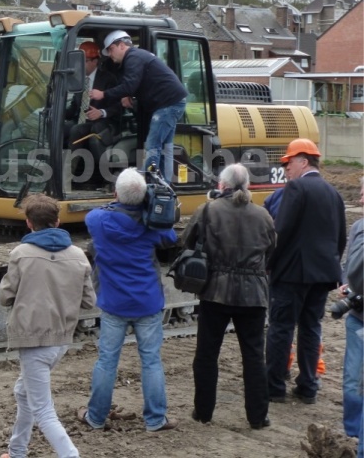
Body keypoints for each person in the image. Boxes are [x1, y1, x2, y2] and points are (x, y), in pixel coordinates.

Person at [78, 168, 178, 432]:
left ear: (115, 194)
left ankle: (96, 417)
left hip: (113, 303)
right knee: (151, 361)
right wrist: (149, 209)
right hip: (147, 302)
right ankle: (156, 419)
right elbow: (171, 237)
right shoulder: (151, 226)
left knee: (107, 361)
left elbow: (93, 215)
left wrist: (121, 203)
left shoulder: (98, 220)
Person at [0, 194, 95, 458]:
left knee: (43, 409)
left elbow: (5, 296)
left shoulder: (20, 254)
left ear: (29, 223)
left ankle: (70, 455)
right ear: (59, 221)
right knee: (23, 392)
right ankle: (16, 451)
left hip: (32, 341)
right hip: (60, 340)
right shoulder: (78, 255)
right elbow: (89, 301)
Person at [183, 164, 275, 429]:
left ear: (222, 185)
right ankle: (258, 417)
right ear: (247, 185)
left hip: (215, 291)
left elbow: (187, 242)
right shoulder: (263, 215)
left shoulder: (209, 210)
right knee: (254, 356)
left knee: (207, 354)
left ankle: (203, 412)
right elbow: (272, 249)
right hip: (253, 294)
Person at [266, 138, 347, 404]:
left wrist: (269, 263)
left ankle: (275, 387)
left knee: (281, 328)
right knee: (311, 328)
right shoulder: (333, 193)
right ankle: (308, 387)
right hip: (323, 275)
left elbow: (281, 231)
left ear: (302, 161)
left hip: (292, 274)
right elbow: (340, 237)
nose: (286, 169)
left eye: (288, 163)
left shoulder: (297, 188)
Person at [89, 31, 187, 182]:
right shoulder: (138, 56)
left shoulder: (133, 58)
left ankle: (144, 185)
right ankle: (165, 184)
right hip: (172, 102)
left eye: (110, 49)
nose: (109, 54)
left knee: (152, 145)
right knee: (166, 147)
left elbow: (129, 84)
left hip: (167, 105)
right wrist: (129, 94)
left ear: (121, 45)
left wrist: (104, 94)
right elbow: (137, 83)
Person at [65, 41, 123, 187]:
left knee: (76, 130)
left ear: (95, 61)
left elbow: (118, 106)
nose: (81, 65)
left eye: (84, 61)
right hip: (82, 120)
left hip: (103, 121)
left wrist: (101, 112)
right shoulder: (79, 80)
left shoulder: (108, 79)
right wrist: (56, 112)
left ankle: (67, 176)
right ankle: (55, 165)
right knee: (60, 127)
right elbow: (74, 108)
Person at [341, 178, 363, 457]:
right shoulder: (358, 227)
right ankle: (352, 432)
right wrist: (346, 285)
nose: (358, 195)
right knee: (351, 380)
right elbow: (351, 264)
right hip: (357, 315)